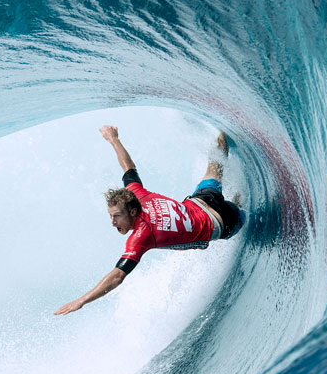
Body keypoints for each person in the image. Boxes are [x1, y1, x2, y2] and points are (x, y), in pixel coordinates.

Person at [54, 124, 245, 315]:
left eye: (116, 216)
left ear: (131, 212)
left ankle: (239, 202)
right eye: (111, 216)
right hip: (202, 199)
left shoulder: (141, 236)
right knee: (215, 163)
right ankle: (227, 125)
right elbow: (128, 167)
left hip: (221, 222)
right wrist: (113, 139)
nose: (113, 222)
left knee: (244, 209)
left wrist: (81, 301)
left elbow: (117, 277)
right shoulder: (136, 193)